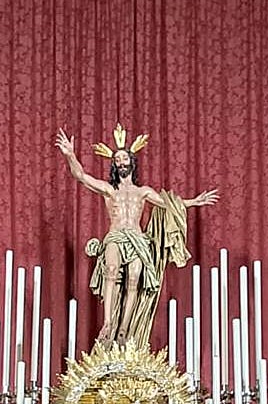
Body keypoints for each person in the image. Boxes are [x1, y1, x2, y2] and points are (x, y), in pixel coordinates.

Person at [55, 124, 218, 347]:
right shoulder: (109, 189)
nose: (121, 162)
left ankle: (125, 328)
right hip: (115, 236)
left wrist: (194, 202)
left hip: (138, 240)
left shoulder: (143, 192)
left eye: (125, 158)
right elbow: (81, 176)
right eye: (117, 159)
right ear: (114, 165)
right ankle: (109, 322)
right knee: (111, 270)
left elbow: (170, 204)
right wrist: (70, 155)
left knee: (134, 279)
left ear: (132, 162)